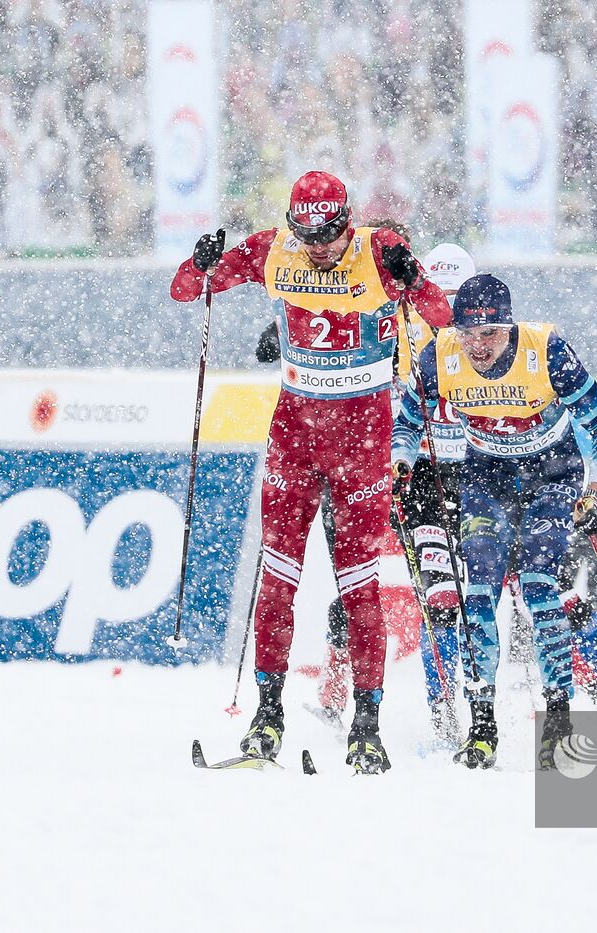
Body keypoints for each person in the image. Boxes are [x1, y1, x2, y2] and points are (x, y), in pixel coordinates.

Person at [170, 171, 452, 774]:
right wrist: (202, 262)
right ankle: (267, 712)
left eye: (327, 234)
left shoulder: (377, 250)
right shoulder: (278, 248)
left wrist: (413, 278)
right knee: (278, 579)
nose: (317, 247)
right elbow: (187, 290)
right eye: (306, 234)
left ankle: (367, 726)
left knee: (360, 586)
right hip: (294, 438)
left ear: (346, 221)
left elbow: (441, 312)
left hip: (364, 441)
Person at [392, 274, 597, 770]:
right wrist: (401, 462)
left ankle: (559, 722)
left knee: (540, 588)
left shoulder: (547, 351)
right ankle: (482, 727)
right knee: (477, 595)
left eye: (491, 334)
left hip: (552, 475)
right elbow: (408, 422)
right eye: (469, 334)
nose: (478, 346)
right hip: (485, 477)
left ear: (509, 327)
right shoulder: (440, 355)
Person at [395, 242, 477, 748]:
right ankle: (444, 714)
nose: (443, 315)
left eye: (454, 300)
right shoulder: (404, 334)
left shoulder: (494, 340)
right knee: (440, 602)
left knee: (545, 593)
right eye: (435, 299)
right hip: (425, 481)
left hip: (484, 478)